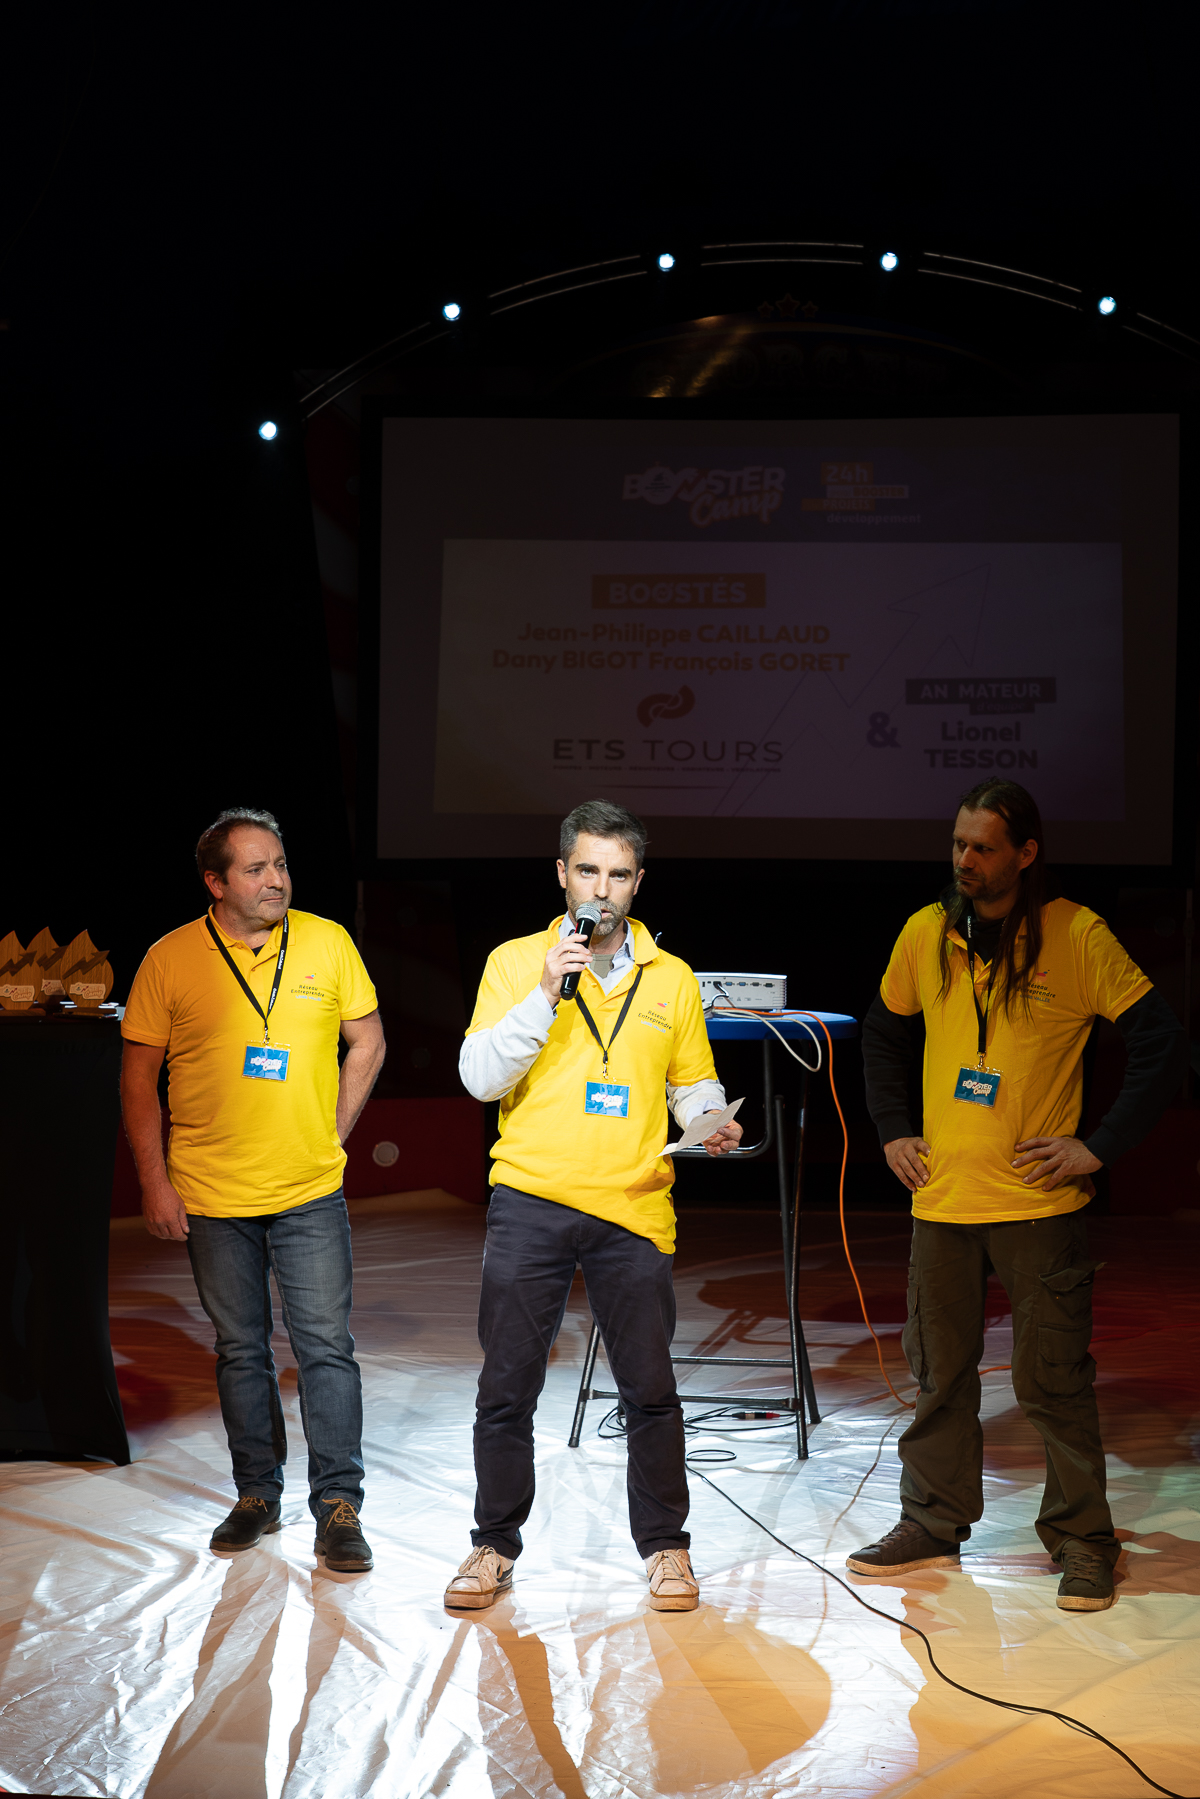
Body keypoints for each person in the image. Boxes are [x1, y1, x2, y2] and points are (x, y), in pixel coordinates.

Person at [853, 779, 1187, 1611]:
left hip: (1038, 1206)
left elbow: (1159, 1040)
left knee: (1053, 1382)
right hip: (943, 1202)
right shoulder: (928, 932)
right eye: (958, 843)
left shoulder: (1075, 933)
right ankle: (931, 1520)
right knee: (939, 1377)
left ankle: (1083, 1541)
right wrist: (893, 1128)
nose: (965, 860)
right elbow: (885, 1029)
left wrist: (1097, 1146)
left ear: (1026, 853)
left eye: (983, 847)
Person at [446, 800, 743, 1614]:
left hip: (632, 1206)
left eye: (617, 874)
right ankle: (492, 1544)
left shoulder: (671, 977)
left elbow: (691, 1080)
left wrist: (707, 1118)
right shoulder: (518, 961)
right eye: (587, 871)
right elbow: (479, 1078)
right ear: (562, 874)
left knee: (649, 1389)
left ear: (638, 882)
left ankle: (667, 1548)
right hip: (531, 1199)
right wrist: (546, 992)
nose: (601, 889)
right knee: (506, 1388)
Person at [120, 808, 386, 1570]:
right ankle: (257, 1494)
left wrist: (332, 1131)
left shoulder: (327, 940)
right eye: (256, 868)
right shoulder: (170, 957)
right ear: (216, 881)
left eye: (281, 864)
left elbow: (368, 1040)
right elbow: (138, 1079)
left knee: (326, 1347)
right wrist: (154, 1181)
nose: (276, 880)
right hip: (211, 1193)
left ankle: (338, 1505)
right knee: (240, 1349)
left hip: (308, 1188)